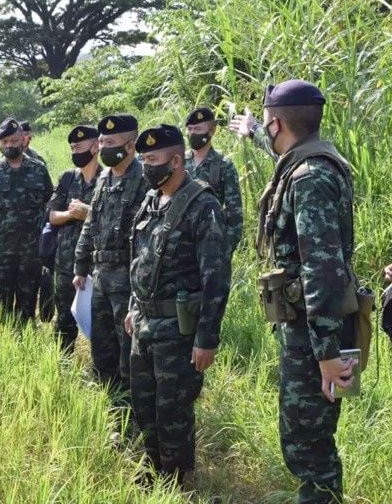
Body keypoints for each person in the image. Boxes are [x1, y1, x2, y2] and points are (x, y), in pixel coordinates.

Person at [230, 80, 357, 503]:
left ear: (278, 123)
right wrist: (251, 132)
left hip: (313, 335)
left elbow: (323, 270)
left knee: (308, 444)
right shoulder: (309, 159)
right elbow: (283, 153)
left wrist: (326, 355)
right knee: (305, 438)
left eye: (266, 122)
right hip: (306, 330)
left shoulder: (309, 179)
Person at [125, 124, 230, 486]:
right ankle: (150, 466)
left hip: (178, 331)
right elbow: (138, 259)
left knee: (173, 407)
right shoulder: (152, 200)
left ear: (175, 159)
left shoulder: (203, 205)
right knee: (144, 402)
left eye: (152, 159)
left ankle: (174, 478)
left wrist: (206, 338)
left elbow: (216, 278)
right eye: (142, 159)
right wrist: (131, 306)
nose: (145, 166)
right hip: (143, 324)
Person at [73, 114, 147, 399]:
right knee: (102, 347)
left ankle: (133, 413)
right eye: (101, 141)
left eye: (111, 142)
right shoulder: (104, 178)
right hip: (101, 279)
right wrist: (81, 266)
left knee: (129, 350)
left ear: (131, 146)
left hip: (129, 281)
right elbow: (91, 224)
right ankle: (111, 405)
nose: (103, 148)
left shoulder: (143, 179)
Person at [0, 117, 54, 328]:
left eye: (13, 140)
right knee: (1, 298)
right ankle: (3, 342)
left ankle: (25, 340)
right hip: (2, 249)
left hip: (32, 250)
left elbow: (50, 207)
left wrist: (49, 245)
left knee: (27, 299)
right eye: (5, 142)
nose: (9, 145)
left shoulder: (39, 170)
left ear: (23, 140)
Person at [47, 125, 103, 352]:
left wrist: (87, 212)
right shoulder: (68, 179)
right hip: (65, 262)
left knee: (99, 321)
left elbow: (117, 222)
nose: (75, 151)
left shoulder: (107, 180)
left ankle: (101, 370)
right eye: (72, 147)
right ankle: (62, 363)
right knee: (63, 319)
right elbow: (51, 216)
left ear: (95, 145)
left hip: (96, 265)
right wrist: (70, 214)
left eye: (79, 146)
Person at [184, 107, 244, 254]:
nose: (192, 133)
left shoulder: (223, 165)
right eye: (189, 129)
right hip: (180, 246)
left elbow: (234, 214)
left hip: (210, 244)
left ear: (211, 131)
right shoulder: (179, 163)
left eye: (197, 129)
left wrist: (225, 251)